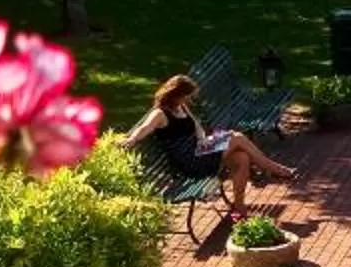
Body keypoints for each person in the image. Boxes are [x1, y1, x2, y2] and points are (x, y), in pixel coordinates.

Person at [123, 74, 295, 219]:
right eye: (187, 96)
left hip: (200, 150)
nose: (189, 100)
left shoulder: (181, 107)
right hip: (190, 161)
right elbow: (145, 128)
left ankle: (239, 207)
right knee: (237, 137)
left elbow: (196, 125)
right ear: (175, 93)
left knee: (242, 157)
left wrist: (203, 139)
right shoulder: (160, 113)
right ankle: (275, 169)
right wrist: (132, 139)